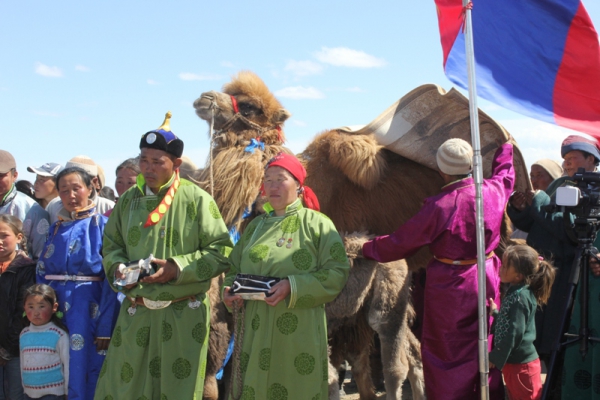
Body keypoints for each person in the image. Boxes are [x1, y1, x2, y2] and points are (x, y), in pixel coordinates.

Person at [362, 138, 514, 400]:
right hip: (486, 275)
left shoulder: (441, 205)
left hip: (451, 286)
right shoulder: (494, 189)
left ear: (441, 170)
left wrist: (364, 248)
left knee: (447, 352)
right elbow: (505, 174)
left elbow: (400, 243)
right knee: (485, 341)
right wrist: (506, 148)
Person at [94, 113, 232, 400]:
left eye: (157, 162)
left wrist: (177, 268)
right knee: (126, 388)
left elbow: (221, 251)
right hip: (137, 312)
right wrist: (118, 268)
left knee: (177, 391)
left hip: (183, 315)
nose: (148, 168)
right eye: (144, 160)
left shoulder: (197, 200)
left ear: (176, 164)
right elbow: (111, 246)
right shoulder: (128, 201)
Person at [222, 152, 350, 400]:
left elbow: (337, 271)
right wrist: (228, 291)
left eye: (280, 179)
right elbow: (233, 268)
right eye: (267, 180)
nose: (272, 186)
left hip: (298, 330)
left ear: (299, 186)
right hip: (255, 328)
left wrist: (293, 286)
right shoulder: (255, 228)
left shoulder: (318, 225)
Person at [507, 135, 600, 359]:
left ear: (590, 160)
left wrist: (539, 204)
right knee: (538, 328)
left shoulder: (596, 188)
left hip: (568, 271)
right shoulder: (560, 184)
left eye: (572, 157)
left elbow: (569, 231)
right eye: (565, 158)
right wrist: (521, 209)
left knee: (556, 331)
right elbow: (536, 221)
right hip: (542, 268)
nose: (567, 163)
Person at [36, 167, 119, 400]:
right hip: (56, 308)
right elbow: (41, 271)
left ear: (90, 188)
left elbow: (112, 279)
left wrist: (105, 326)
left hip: (88, 309)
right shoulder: (55, 229)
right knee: (55, 364)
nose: (71, 195)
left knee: (85, 366)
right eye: (64, 191)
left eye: (76, 188)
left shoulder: (103, 226)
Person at [488, 244, 556, 400]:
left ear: (518, 276)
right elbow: (510, 322)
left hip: (522, 368)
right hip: (515, 365)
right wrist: (496, 313)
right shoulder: (517, 292)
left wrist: (496, 356)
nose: (501, 268)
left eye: (505, 267)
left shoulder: (520, 297)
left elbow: (515, 333)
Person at [0, 214, 36, 400]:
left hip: (16, 350)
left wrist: (7, 349)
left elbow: (24, 312)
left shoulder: (26, 269)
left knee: (16, 394)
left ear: (19, 237)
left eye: (4, 235)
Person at [20, 284, 69, 400]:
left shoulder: (59, 334)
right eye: (31, 307)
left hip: (53, 394)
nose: (36, 312)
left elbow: (67, 366)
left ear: (54, 307)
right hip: (29, 393)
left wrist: (67, 391)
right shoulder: (24, 334)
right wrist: (24, 388)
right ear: (24, 308)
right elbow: (22, 363)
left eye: (41, 306)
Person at [0, 150, 50, 259]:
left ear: (15, 176)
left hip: (19, 274)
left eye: (1, 175)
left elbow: (41, 255)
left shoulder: (32, 209)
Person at [46, 156, 115, 223]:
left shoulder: (108, 208)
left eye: (76, 188)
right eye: (65, 190)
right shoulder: (53, 207)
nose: (71, 195)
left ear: (93, 184)